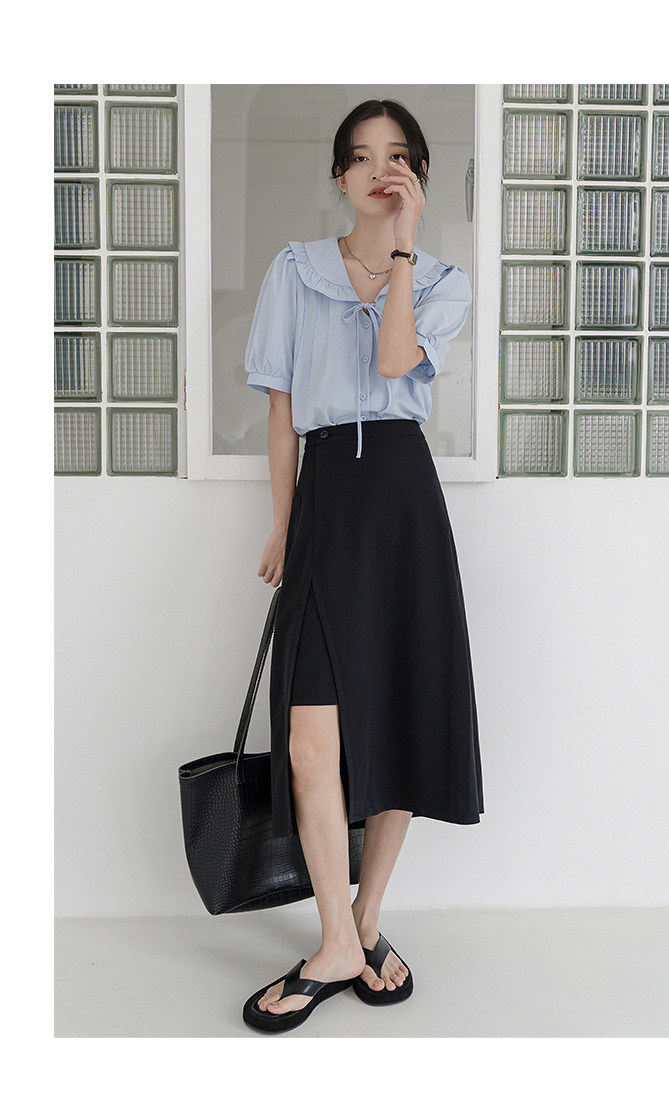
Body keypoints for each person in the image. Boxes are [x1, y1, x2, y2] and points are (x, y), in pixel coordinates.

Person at [241, 99, 484, 1033]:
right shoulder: (293, 271)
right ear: (340, 176)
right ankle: (339, 939)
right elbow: (280, 407)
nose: (380, 170)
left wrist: (405, 248)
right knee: (311, 742)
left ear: (417, 175)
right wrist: (283, 523)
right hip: (327, 506)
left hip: (401, 501)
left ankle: (362, 921)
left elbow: (392, 364)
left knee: (399, 714)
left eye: (399, 157)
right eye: (362, 157)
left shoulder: (443, 282)